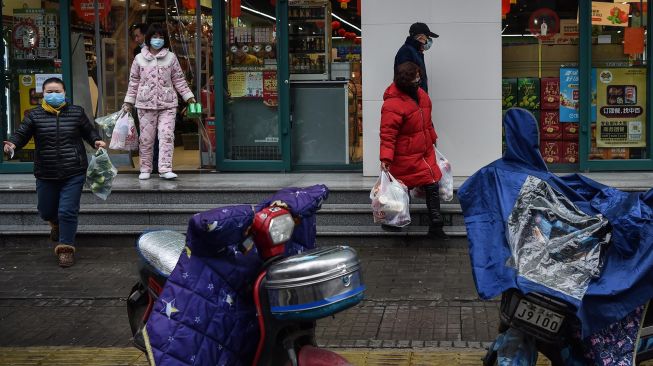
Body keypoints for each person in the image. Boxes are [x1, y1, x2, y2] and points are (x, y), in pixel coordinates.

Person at [3, 77, 106, 267]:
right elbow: (22, 133)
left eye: (57, 91)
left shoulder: (76, 112)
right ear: (43, 93)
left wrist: (96, 141)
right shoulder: (34, 115)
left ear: (65, 93)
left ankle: (66, 248)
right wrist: (13, 144)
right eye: (49, 92)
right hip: (46, 171)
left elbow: (88, 131)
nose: (53, 95)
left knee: (67, 210)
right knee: (46, 210)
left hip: (74, 170)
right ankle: (55, 224)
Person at [379, 61, 448, 240]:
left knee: (432, 183)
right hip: (405, 155)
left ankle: (436, 226)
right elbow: (387, 134)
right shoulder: (393, 104)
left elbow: (427, 122)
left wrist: (433, 139)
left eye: (419, 75)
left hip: (424, 152)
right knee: (402, 188)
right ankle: (395, 221)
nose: (419, 79)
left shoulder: (422, 95)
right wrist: (386, 158)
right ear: (406, 80)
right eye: (415, 77)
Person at [123, 22, 196, 180]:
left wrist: (189, 97)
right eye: (155, 37)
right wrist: (128, 102)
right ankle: (146, 168)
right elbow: (133, 82)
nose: (158, 40)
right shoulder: (139, 58)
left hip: (167, 105)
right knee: (146, 139)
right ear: (149, 38)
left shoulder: (171, 57)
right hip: (145, 105)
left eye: (161, 37)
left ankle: (164, 168)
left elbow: (179, 80)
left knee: (166, 135)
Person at [129, 23, 159, 174]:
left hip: (160, 99)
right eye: (134, 36)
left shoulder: (164, 52)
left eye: (138, 35)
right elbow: (134, 78)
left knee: (162, 134)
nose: (136, 38)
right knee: (146, 135)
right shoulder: (137, 53)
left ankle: (159, 164)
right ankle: (148, 166)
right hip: (144, 99)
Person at [394, 22, 438, 93]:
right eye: (427, 38)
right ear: (420, 37)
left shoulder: (415, 52)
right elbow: (406, 81)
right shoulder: (407, 51)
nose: (428, 41)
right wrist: (416, 101)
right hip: (411, 101)